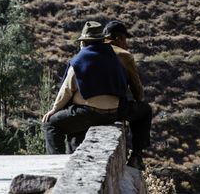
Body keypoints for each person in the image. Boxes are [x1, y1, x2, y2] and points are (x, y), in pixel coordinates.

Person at [42, 21, 128, 155]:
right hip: (113, 114)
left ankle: (56, 161)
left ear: (84, 42)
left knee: (51, 124)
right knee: (75, 120)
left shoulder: (81, 59)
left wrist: (54, 109)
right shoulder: (113, 56)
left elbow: (67, 90)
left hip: (91, 113)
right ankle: (74, 154)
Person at [103, 20, 151, 170]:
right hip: (114, 108)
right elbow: (137, 88)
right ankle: (136, 156)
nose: (126, 44)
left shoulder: (91, 50)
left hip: (87, 106)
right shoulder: (124, 55)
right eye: (125, 39)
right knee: (145, 110)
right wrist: (139, 101)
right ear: (118, 38)